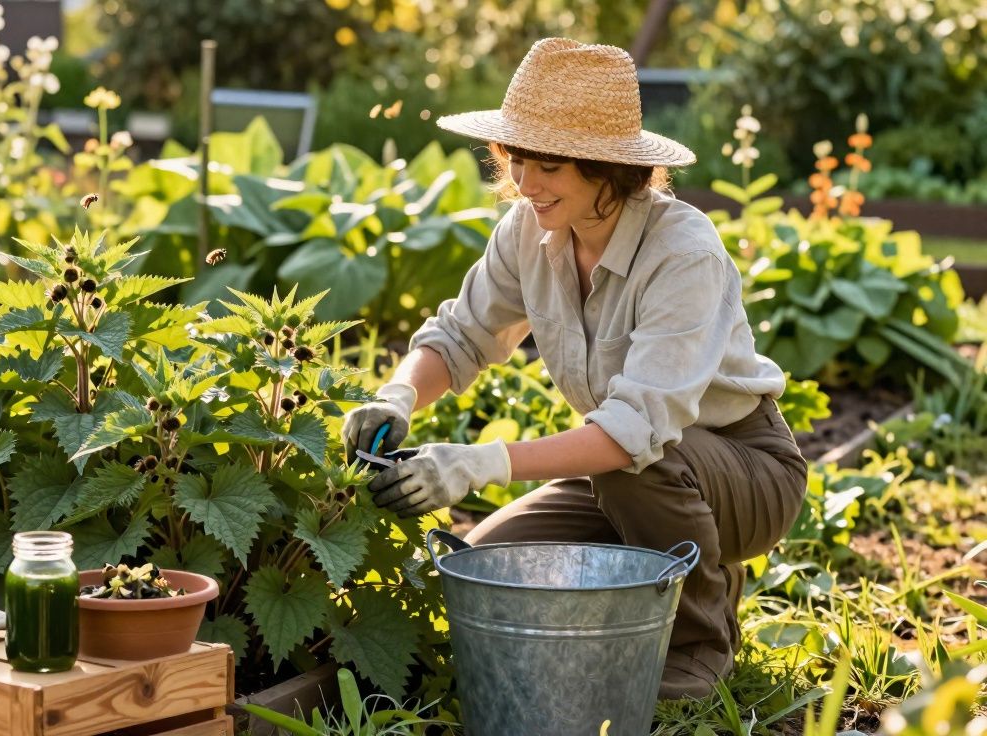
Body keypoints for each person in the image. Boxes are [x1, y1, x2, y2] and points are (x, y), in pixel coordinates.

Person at [341, 38, 808, 700]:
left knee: (639, 465)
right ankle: (676, 565)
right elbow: (461, 334)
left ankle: (700, 641)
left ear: (607, 167)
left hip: (744, 470)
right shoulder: (529, 231)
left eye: (549, 165)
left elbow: (634, 432)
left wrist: (479, 461)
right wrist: (396, 396)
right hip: (623, 472)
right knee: (491, 564)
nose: (526, 184)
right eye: (519, 159)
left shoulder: (683, 254)